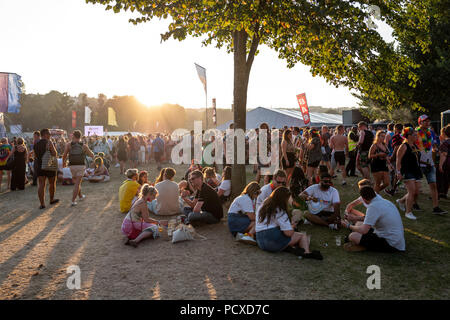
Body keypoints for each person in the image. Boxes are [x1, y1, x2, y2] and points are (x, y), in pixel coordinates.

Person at [255, 186, 322, 259]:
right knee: (302, 236)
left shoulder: (265, 204)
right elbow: (288, 233)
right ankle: (306, 253)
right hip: (272, 242)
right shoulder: (280, 210)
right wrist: (292, 226)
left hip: (260, 240)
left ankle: (291, 248)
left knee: (287, 235)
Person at [341, 186, 405, 253]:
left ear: (364, 199)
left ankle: (363, 246)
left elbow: (364, 230)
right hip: (395, 239)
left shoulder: (373, 206)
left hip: (391, 244)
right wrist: (355, 218)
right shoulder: (382, 201)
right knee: (359, 223)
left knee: (353, 236)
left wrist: (348, 225)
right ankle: (362, 243)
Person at [415, 115, 447, 215]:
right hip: (419, 164)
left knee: (433, 186)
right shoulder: (415, 133)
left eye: (428, 121)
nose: (428, 122)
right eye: (425, 121)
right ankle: (413, 203)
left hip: (430, 163)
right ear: (420, 122)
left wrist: (435, 149)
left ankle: (436, 207)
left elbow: (434, 144)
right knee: (416, 189)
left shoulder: (431, 132)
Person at [395, 127, 423, 220]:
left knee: (416, 192)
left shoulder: (415, 145)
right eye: (414, 135)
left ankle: (401, 201)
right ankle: (408, 212)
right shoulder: (403, 146)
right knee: (411, 192)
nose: (416, 136)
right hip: (407, 171)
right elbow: (398, 161)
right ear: (409, 136)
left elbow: (417, 158)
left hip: (416, 171)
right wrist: (398, 172)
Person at [62, 130, 95, 206]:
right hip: (80, 165)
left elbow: (64, 155)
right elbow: (91, 155)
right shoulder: (83, 145)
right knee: (77, 183)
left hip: (72, 166)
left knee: (76, 183)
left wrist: (63, 163)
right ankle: (73, 201)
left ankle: (80, 196)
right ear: (80, 136)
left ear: (73, 136)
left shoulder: (68, 145)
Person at [34, 129, 59, 209]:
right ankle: (51, 199)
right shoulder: (49, 142)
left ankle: (42, 204)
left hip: (40, 166)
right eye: (49, 134)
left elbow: (36, 156)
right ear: (45, 134)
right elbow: (55, 154)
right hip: (49, 165)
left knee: (41, 184)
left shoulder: (36, 144)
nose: (50, 136)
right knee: (52, 183)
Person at [385, 123, 404, 196]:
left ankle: (394, 189)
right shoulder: (404, 136)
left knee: (394, 173)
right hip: (403, 157)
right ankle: (395, 188)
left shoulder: (394, 136)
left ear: (395, 128)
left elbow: (393, 147)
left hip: (394, 156)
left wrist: (390, 157)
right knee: (399, 174)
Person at [438, 125, 450, 199]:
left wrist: (440, 165)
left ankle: (442, 192)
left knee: (445, 178)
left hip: (448, 162)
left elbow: (444, 154)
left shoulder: (445, 143)